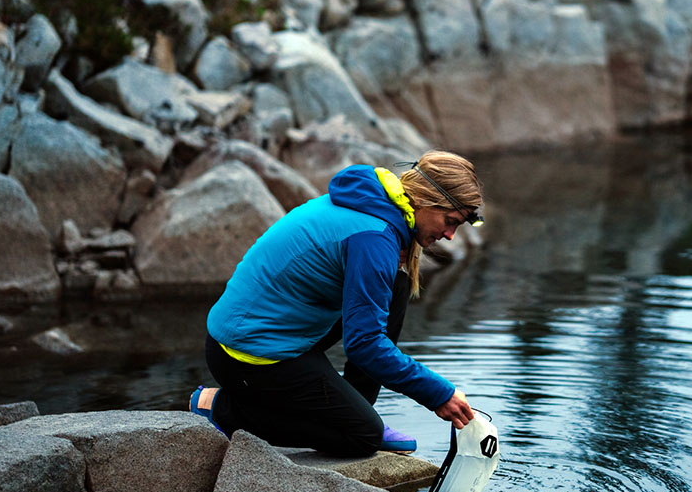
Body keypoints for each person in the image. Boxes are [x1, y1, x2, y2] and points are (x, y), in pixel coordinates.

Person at [189, 150, 483, 456]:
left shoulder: (376, 201)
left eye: (458, 226)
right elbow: (364, 344)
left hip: (283, 334)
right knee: (362, 438)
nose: (450, 235)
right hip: (245, 356)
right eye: (449, 221)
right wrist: (438, 394)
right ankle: (220, 407)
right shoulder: (374, 237)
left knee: (397, 286)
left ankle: (351, 409)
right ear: (424, 198)